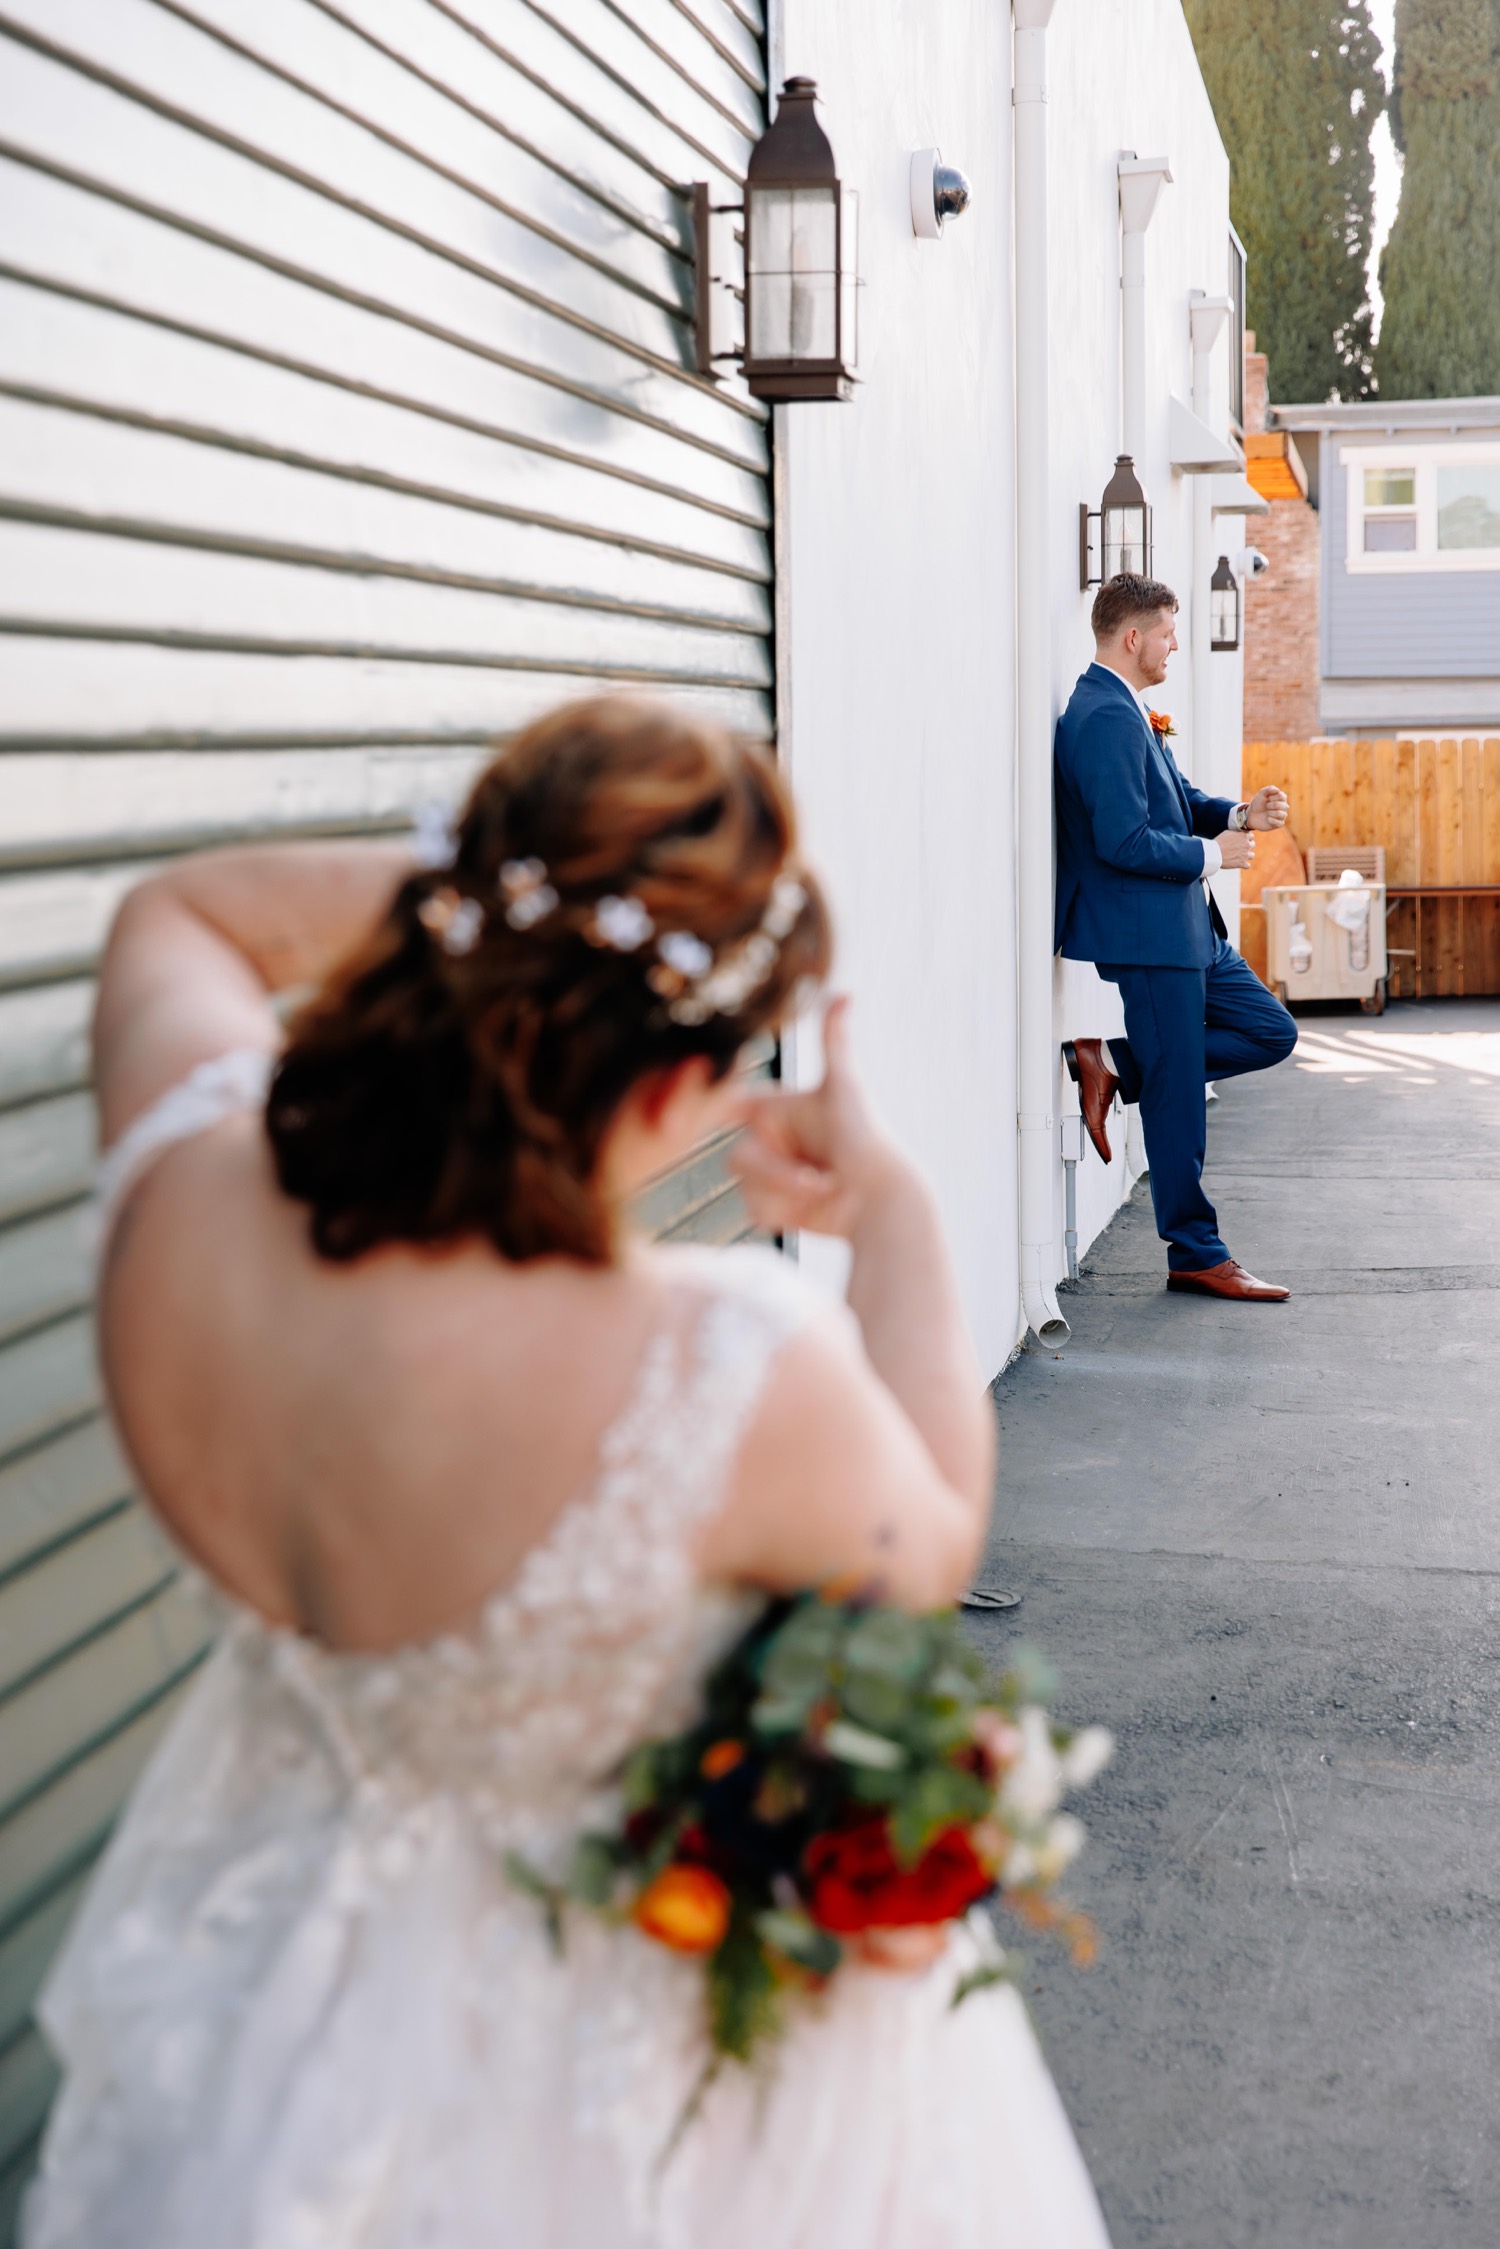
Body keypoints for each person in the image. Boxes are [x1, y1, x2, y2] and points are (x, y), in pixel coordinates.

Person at [24, 697, 1111, 2248]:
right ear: (678, 1086)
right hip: (615, 2089)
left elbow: (179, 910)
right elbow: (928, 1537)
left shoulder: (183, 1181)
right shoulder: (717, 1362)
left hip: (280, 2022)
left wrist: (492, 910)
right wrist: (902, 1219)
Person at [1054, 574, 1298, 1301]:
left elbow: (1181, 799)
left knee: (1270, 1031)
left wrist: (1240, 814)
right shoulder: (1101, 716)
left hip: (1189, 930)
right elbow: (1122, 838)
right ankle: (1195, 1252)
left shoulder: (1132, 709)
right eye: (1166, 632)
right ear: (1133, 637)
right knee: (1178, 1101)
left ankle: (1115, 1065)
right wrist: (1212, 855)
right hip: (1150, 936)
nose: (1174, 645)